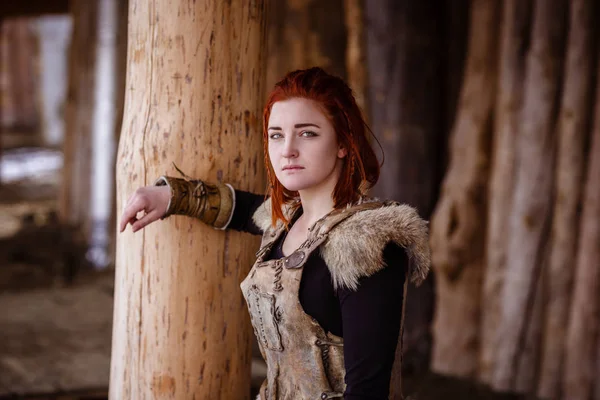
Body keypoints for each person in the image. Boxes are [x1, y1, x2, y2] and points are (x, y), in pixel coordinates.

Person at [119, 67, 430, 400]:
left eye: (307, 133)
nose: (288, 150)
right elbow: (244, 209)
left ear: (342, 142)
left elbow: (368, 392)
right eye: (277, 134)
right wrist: (172, 196)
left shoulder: (369, 243)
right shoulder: (286, 221)